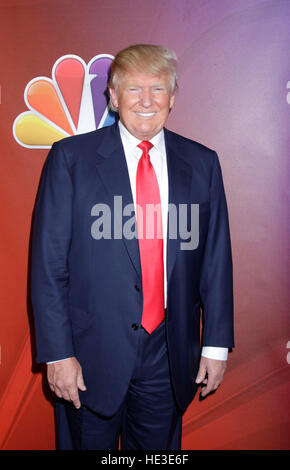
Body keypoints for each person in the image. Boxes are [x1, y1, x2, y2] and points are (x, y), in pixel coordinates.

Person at [31, 44, 234, 450]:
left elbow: (215, 261)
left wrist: (214, 345)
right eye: (133, 89)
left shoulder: (202, 163)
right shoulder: (70, 160)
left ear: (172, 98)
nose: (146, 100)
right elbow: (48, 266)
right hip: (88, 356)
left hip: (169, 354)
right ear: (112, 96)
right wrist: (57, 354)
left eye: (157, 89)